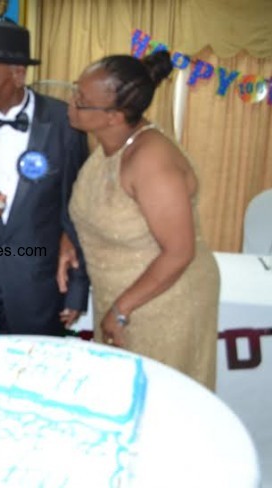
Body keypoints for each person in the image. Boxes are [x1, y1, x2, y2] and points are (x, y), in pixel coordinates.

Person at [61, 51, 219, 390]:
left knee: (157, 401)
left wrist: (121, 309)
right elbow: (95, 208)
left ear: (114, 116)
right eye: (76, 90)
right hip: (118, 293)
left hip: (162, 300)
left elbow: (179, 252)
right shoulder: (107, 144)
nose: (71, 103)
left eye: (82, 101)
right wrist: (69, 241)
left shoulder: (151, 161)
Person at [0, 23, 89, 336]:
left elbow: (78, 212)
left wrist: (78, 288)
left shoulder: (65, 124)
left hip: (42, 289)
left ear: (18, 74)